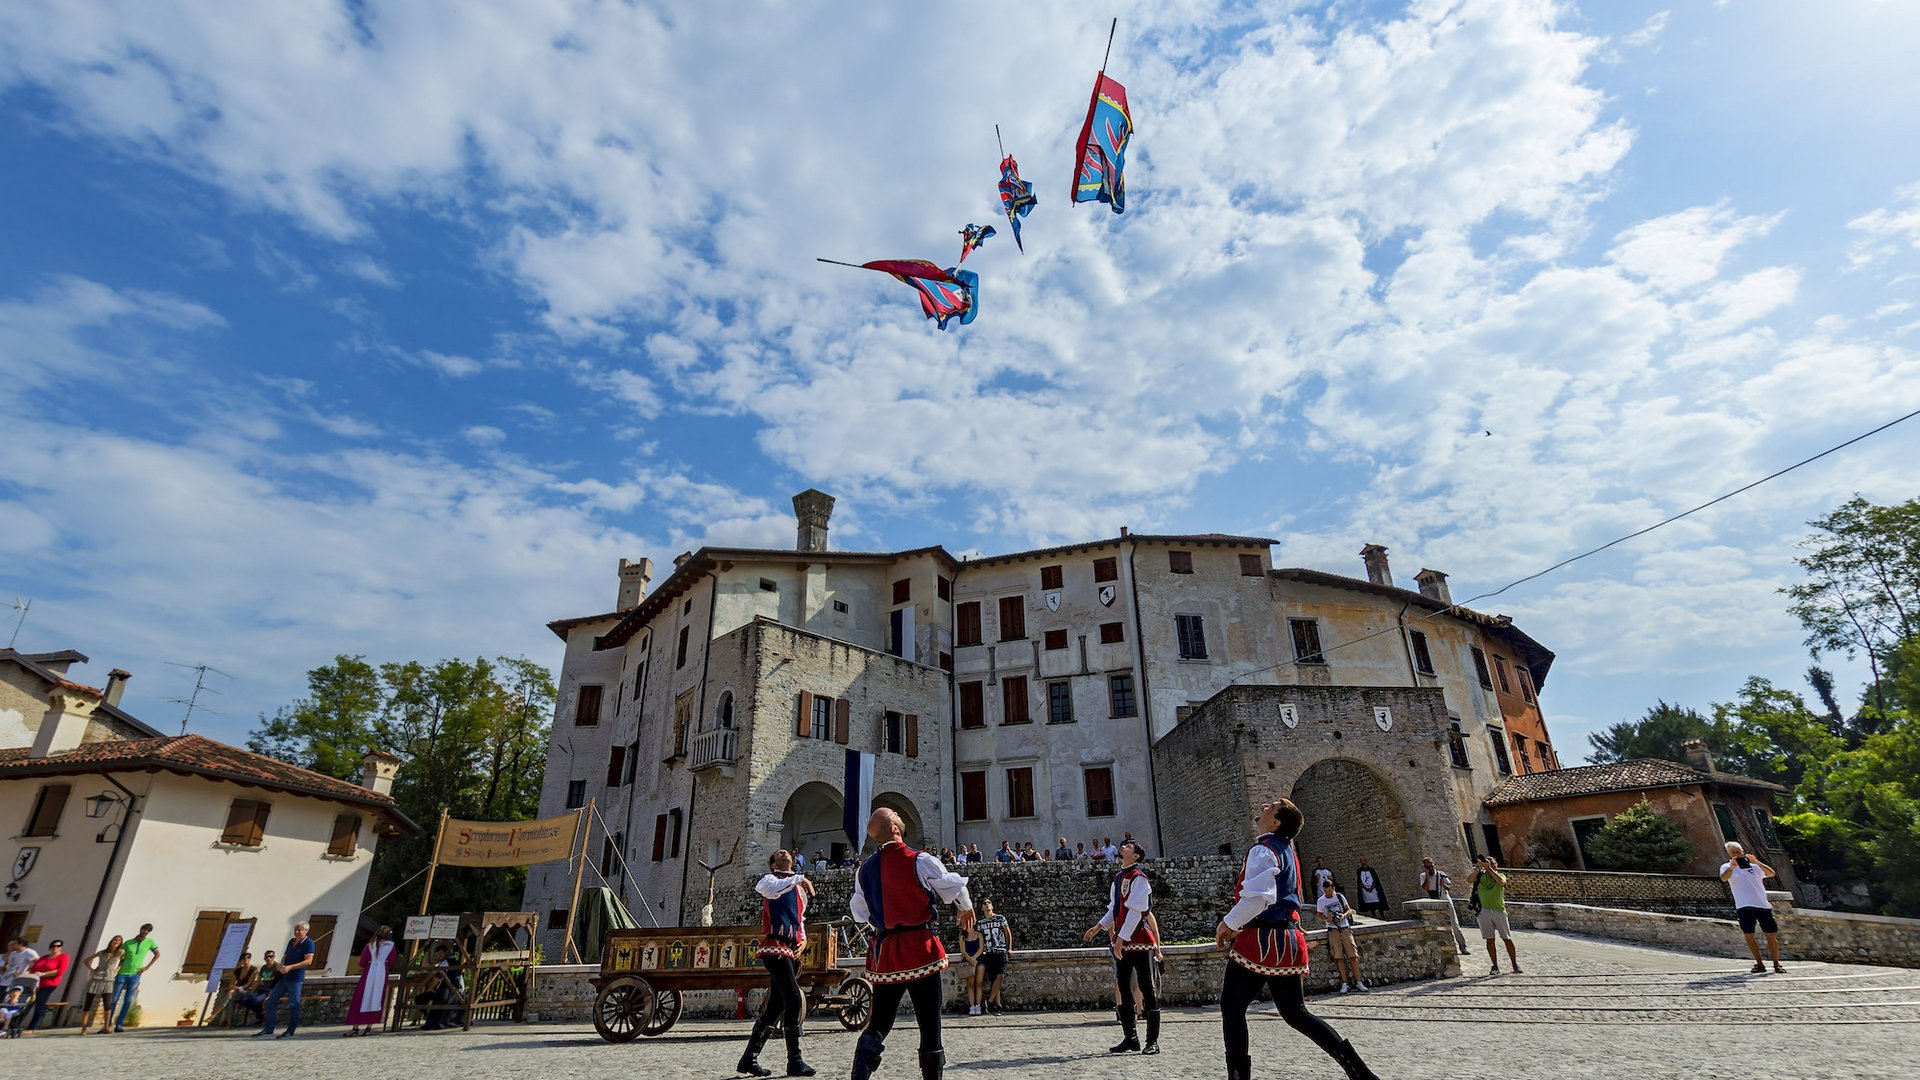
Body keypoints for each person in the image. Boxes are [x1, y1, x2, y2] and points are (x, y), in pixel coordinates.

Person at [1215, 797, 1378, 1080]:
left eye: (1272, 806)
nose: (1265, 806)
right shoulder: (1287, 851)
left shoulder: (1263, 851)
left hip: (1261, 941)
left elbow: (1257, 899)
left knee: (1232, 1007)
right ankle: (1360, 1073)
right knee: (1296, 1013)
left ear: (1276, 822)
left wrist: (1227, 924)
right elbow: (1291, 897)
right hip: (1288, 939)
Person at [849, 807, 975, 1080]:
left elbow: (860, 913)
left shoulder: (864, 870)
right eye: (894, 813)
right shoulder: (919, 860)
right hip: (919, 948)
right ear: (895, 828)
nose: (897, 813)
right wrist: (965, 906)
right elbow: (953, 886)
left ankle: (859, 1074)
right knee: (930, 1022)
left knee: (880, 1021)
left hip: (885, 951)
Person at [739, 849, 817, 1078]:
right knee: (793, 997)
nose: (784, 852)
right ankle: (795, 1061)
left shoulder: (798, 888)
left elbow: (800, 919)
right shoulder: (770, 880)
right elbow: (770, 891)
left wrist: (803, 940)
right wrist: (800, 878)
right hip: (775, 945)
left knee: (776, 1006)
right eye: (779, 853)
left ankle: (749, 1059)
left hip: (790, 948)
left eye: (786, 852)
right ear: (774, 864)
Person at [1084, 839, 1160, 1054]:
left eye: (1128, 847)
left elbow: (1136, 911)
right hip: (1123, 942)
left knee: (1147, 987)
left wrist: (1120, 939)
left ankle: (1152, 1041)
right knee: (1124, 989)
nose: (1123, 847)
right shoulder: (1118, 879)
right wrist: (1098, 927)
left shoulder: (1140, 879)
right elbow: (1114, 909)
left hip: (1140, 942)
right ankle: (1130, 1037)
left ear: (1135, 855)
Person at [1721, 842, 1786, 974]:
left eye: (1738, 852)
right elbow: (1723, 878)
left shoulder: (1755, 867)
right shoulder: (1726, 867)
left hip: (1762, 904)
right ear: (1729, 854)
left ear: (1743, 852)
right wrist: (1732, 868)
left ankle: (1776, 964)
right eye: (1733, 852)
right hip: (1744, 905)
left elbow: (1771, 873)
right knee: (1749, 934)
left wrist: (1756, 862)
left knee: (1770, 934)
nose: (1736, 854)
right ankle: (1759, 963)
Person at [254, 921, 315, 1038]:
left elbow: (308, 961)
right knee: (271, 1001)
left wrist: (290, 967)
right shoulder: (291, 942)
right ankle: (268, 1028)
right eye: (296, 929)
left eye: (300, 930)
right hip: (283, 978)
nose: (297, 932)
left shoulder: (309, 943)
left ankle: (290, 1030)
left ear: (306, 931)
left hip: (295, 979)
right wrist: (281, 966)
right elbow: (285, 956)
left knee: (294, 1004)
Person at [1469, 854, 1521, 974]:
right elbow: (1469, 880)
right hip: (1484, 911)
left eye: (1492, 863)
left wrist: (1489, 868)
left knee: (1507, 938)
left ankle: (1514, 963)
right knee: (1490, 940)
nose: (1489, 865)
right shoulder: (1480, 876)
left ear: (1495, 865)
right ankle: (1495, 966)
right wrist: (1478, 869)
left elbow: (1501, 882)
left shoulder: (1500, 874)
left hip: (1499, 910)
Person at [1315, 881, 1368, 993]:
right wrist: (1326, 918)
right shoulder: (1321, 901)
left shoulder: (1339, 896)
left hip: (1344, 927)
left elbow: (1349, 910)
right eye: (1326, 890)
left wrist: (1343, 915)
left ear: (1333, 888)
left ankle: (1359, 981)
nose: (1328, 893)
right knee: (1338, 957)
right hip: (1332, 929)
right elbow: (1319, 915)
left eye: (1330, 890)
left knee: (1353, 955)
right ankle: (1345, 983)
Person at [345, 925, 396, 1036]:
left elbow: (362, 962)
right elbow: (392, 961)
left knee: (362, 997)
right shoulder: (391, 946)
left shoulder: (370, 945)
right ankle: (369, 1027)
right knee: (376, 998)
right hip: (382, 972)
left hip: (369, 971)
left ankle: (355, 1027)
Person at [110, 923, 159, 1032]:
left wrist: (147, 967)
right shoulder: (128, 943)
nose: (145, 932)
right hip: (122, 973)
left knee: (127, 1000)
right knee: (114, 999)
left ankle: (119, 1024)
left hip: (135, 974)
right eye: (144, 929)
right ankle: (108, 1023)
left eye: (147, 931)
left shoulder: (150, 942)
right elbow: (120, 956)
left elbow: (157, 954)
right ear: (140, 929)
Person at [1419, 857, 1471, 954]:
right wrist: (1427, 876)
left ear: (1434, 864)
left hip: (1445, 899)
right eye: (1427, 866)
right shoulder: (1423, 876)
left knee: (1455, 924)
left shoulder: (1441, 874)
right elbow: (1426, 888)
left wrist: (1443, 884)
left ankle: (1463, 946)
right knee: (1437, 925)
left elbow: (1449, 888)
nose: (1430, 867)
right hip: (1434, 901)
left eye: (1431, 865)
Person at [78, 935, 124, 1034]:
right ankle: (84, 1028)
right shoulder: (102, 952)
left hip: (108, 980)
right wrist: (92, 969)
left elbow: (122, 961)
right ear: (111, 941)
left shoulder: (120, 952)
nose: (116, 942)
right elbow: (86, 961)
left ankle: (106, 1027)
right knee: (87, 1004)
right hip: (96, 979)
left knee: (107, 1005)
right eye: (115, 940)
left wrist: (116, 970)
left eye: (119, 941)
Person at [22, 939, 70, 1032]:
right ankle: (14, 1025)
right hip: (35, 984)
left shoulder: (64, 956)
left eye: (58, 946)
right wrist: (26, 972)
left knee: (40, 1004)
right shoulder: (44, 957)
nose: (55, 947)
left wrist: (43, 974)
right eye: (53, 946)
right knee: (26, 1003)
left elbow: (60, 971)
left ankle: (32, 1027)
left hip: (48, 984)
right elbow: (33, 968)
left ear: (61, 947)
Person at [974, 899, 1011, 1015]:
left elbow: (1007, 932)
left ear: (992, 906)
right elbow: (980, 938)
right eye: (984, 903)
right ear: (982, 908)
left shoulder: (1000, 918)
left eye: (988, 902)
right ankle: (997, 1005)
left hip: (1001, 950)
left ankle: (990, 1001)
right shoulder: (980, 923)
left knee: (1000, 975)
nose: (986, 904)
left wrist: (1009, 947)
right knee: (994, 979)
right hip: (989, 952)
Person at [956, 917, 985, 1016]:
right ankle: (972, 1006)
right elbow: (963, 951)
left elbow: (981, 948)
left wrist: (974, 958)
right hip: (968, 962)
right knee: (970, 984)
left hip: (979, 960)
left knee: (979, 983)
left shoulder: (979, 934)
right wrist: (970, 960)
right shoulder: (963, 937)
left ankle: (978, 1005)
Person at [227, 951, 265, 1026]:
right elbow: (231, 983)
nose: (246, 960)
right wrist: (234, 988)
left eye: (248, 958)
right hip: (238, 991)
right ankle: (229, 1021)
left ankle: (217, 1017)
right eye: (244, 958)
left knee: (232, 997)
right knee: (230, 1000)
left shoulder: (253, 969)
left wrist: (238, 988)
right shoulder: (238, 971)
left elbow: (249, 984)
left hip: (247, 990)